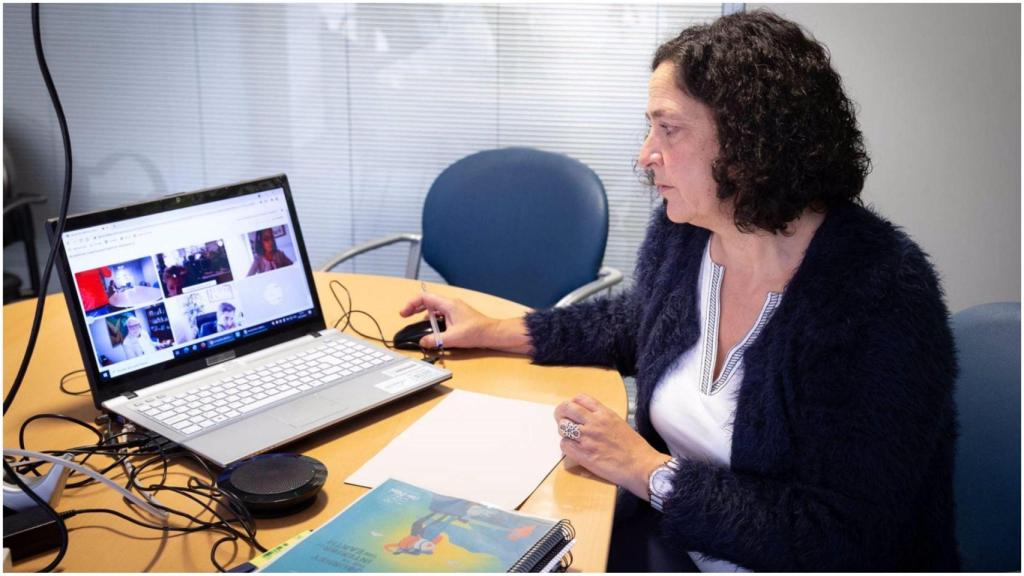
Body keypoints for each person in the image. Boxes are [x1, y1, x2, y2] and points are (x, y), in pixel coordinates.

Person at [399, 10, 958, 572]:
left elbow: (841, 534)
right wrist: (493, 329)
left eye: (668, 129)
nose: (646, 154)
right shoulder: (689, 229)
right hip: (672, 544)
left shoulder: (880, 295)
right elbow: (636, 321)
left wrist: (647, 470)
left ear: (751, 144)